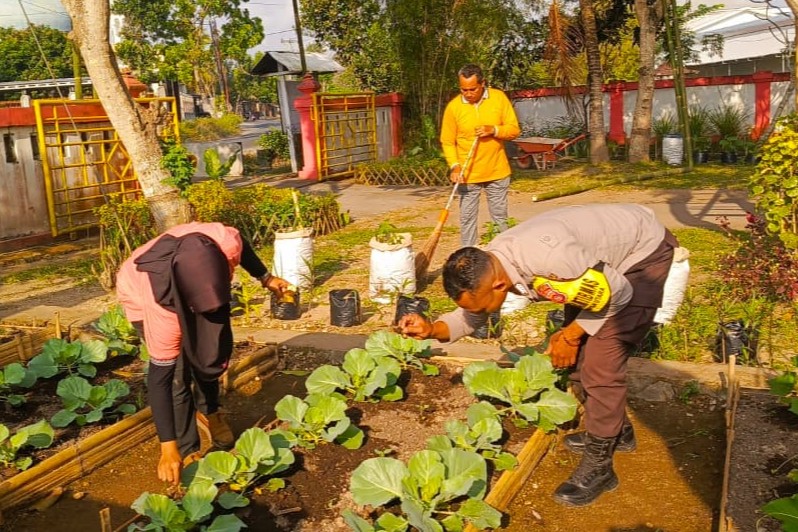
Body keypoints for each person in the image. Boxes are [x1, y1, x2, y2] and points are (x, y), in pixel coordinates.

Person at [398, 204, 679, 507]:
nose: (477, 312)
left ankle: (600, 468)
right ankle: (618, 433)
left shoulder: (552, 260)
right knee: (577, 360)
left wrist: (570, 335)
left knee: (600, 365)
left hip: (639, 259)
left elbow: (619, 293)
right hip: (593, 272)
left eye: (480, 305)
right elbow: (470, 316)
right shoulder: (491, 265)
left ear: (498, 285)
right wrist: (432, 329)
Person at [116, 222, 291, 486]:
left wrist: (266, 278)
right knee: (177, 375)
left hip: (201, 292)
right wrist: (167, 448)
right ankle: (187, 448)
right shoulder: (161, 311)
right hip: (144, 293)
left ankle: (210, 411)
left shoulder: (224, 241)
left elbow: (241, 244)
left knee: (211, 352)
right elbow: (159, 381)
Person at [440, 63, 520, 247]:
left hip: (497, 171)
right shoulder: (454, 108)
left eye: (472, 89)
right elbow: (447, 141)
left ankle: (505, 253)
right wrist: (455, 166)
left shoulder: (498, 98)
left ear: (483, 83)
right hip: (468, 175)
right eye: (463, 90)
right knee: (467, 218)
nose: (468, 94)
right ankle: (469, 255)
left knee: (500, 217)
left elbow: (514, 130)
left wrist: (493, 130)